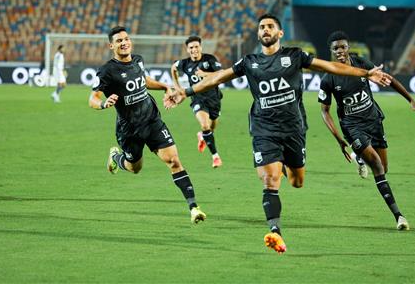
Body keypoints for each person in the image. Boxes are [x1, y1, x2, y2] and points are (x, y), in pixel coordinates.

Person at [165, 14, 392, 253]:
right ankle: (275, 233)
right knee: (271, 181)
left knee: (297, 182)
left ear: (280, 33)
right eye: (262, 27)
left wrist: (365, 73)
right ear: (259, 33)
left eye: (270, 26)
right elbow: (219, 77)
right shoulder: (249, 61)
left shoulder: (294, 56)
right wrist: (186, 92)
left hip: (294, 129)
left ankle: (282, 165)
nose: (265, 29)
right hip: (264, 129)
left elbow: (331, 66)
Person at [89, 26, 206, 224]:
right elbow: (92, 97)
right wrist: (102, 104)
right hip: (129, 130)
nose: (124, 43)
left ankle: (194, 207)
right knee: (135, 168)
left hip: (152, 121)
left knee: (174, 161)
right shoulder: (107, 71)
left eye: (126, 39)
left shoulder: (138, 60)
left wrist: (164, 86)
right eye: (119, 41)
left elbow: (143, 80)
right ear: (111, 45)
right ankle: (116, 158)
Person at [318, 30, 415, 231]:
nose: (340, 51)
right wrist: (339, 139)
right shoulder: (328, 78)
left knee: (384, 168)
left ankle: (360, 158)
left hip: (374, 121)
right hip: (352, 128)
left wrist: (410, 99)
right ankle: (399, 216)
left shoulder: (361, 63)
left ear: (348, 47)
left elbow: (387, 79)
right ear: (330, 51)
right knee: (376, 165)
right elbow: (325, 111)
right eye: (335, 48)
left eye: (342, 46)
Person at [171, 35, 224, 168]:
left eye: (196, 46)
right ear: (187, 50)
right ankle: (215, 157)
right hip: (198, 99)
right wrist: (177, 87)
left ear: (200, 47)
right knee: (206, 125)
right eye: (191, 47)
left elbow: (222, 74)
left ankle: (202, 135)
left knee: (211, 129)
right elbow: (173, 68)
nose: (194, 49)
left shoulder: (210, 60)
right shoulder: (185, 63)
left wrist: (205, 74)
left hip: (214, 99)